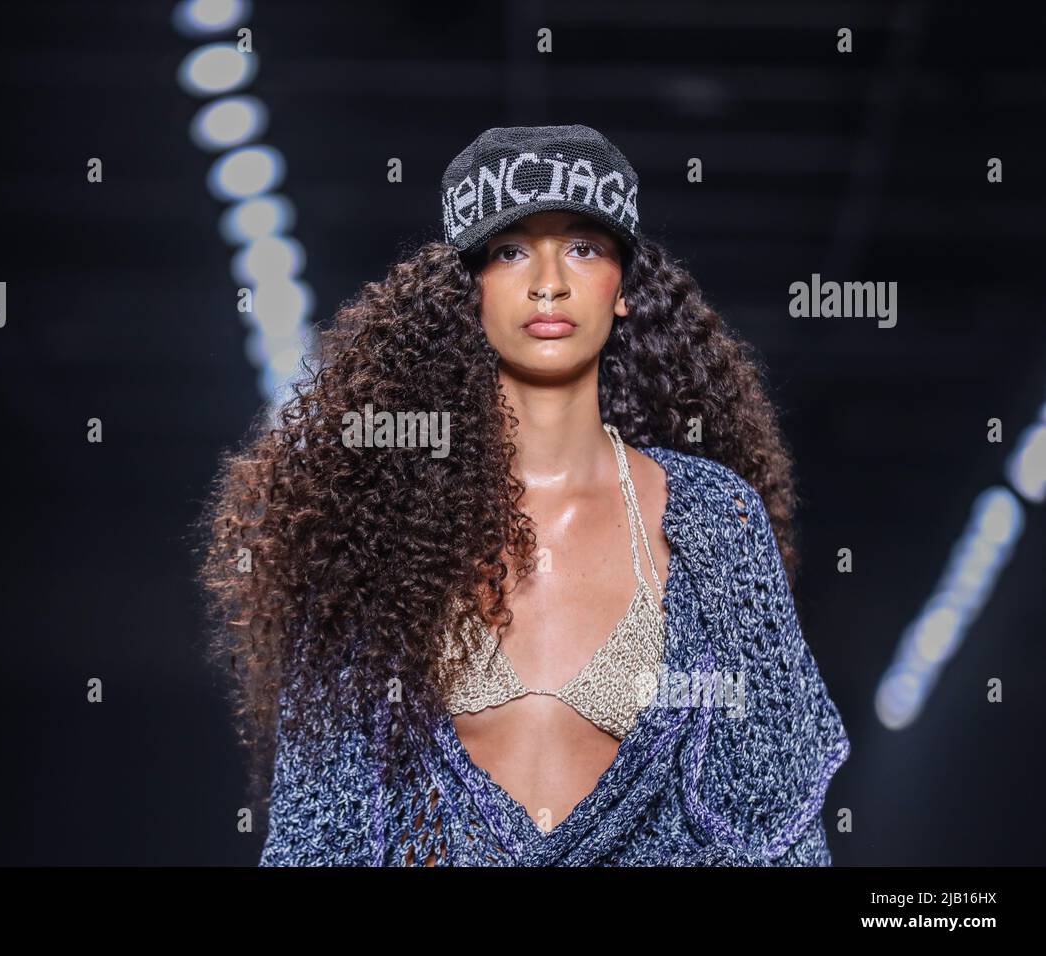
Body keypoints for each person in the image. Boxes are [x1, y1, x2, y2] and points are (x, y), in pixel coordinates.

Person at [197, 124, 850, 866]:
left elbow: (779, 822)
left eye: (583, 247)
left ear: (626, 287)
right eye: (509, 250)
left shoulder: (711, 516)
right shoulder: (376, 526)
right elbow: (317, 832)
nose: (548, 281)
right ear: (466, 291)